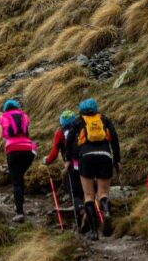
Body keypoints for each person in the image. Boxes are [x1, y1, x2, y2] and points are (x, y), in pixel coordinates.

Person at [66, 98, 121, 239]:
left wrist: (67, 159)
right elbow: (114, 137)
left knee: (89, 196)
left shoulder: (78, 121)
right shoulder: (104, 119)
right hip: (105, 155)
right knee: (103, 193)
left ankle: (94, 232)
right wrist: (117, 159)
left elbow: (70, 140)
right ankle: (106, 211)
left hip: (86, 157)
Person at [0, 99, 37, 223]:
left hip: (12, 150)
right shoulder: (24, 116)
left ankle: (19, 212)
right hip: (29, 149)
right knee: (20, 177)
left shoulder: (2, 118)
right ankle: (19, 205)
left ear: (5, 109)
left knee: (16, 181)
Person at [44, 109, 84, 226]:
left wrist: (46, 160)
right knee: (87, 191)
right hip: (85, 163)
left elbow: (54, 152)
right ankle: (90, 212)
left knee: (74, 192)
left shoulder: (60, 133)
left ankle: (80, 213)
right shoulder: (81, 129)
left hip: (71, 165)